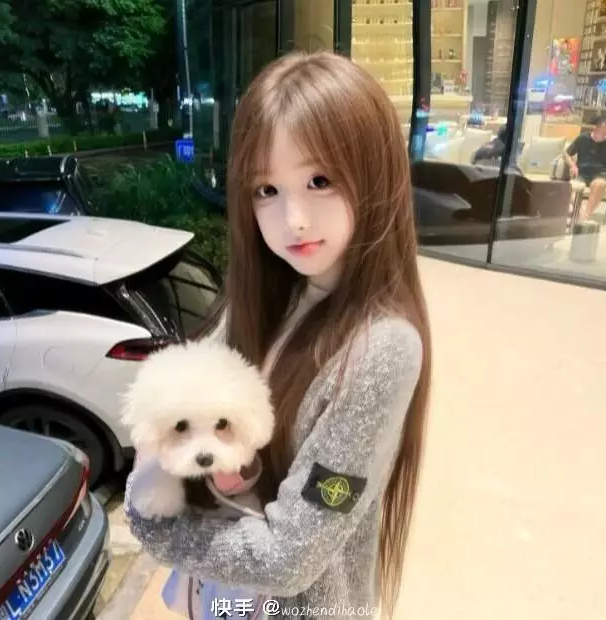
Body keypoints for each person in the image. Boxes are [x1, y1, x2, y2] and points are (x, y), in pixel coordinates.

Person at [124, 50, 432, 620]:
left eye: (319, 180)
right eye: (266, 189)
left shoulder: (382, 347)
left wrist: (151, 523)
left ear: (377, 175)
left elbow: (290, 558)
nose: (293, 219)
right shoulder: (274, 289)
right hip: (227, 601)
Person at [563, 115, 606, 220]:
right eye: (604, 132)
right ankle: (581, 212)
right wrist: (573, 165)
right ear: (595, 128)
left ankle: (586, 215)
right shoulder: (583, 138)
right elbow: (566, 154)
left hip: (601, 174)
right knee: (571, 187)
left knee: (599, 184)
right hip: (582, 173)